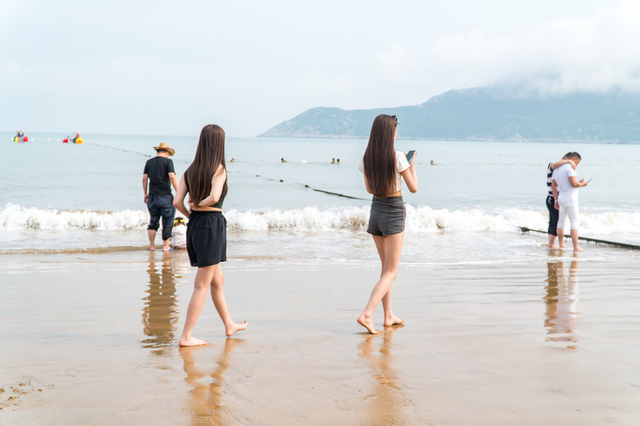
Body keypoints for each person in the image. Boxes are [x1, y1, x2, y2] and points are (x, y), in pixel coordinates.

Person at [174, 124, 247, 346]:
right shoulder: (219, 169)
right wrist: (201, 204)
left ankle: (229, 324)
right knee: (201, 285)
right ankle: (186, 336)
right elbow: (215, 197)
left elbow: (177, 201)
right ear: (219, 144)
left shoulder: (189, 171)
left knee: (218, 279)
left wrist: (191, 212)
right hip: (211, 225)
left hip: (196, 224)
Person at [356, 114, 418, 334]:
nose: (396, 132)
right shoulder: (399, 157)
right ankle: (367, 314)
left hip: (376, 211)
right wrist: (411, 165)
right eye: (395, 129)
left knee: (385, 271)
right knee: (391, 272)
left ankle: (388, 315)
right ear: (390, 132)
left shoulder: (366, 158)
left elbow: (369, 190)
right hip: (393, 211)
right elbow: (413, 188)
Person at [143, 142, 179, 251]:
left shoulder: (149, 162)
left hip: (153, 197)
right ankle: (165, 246)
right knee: (167, 221)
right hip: (165, 197)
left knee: (153, 222)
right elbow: (172, 177)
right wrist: (179, 192)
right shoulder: (168, 162)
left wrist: (145, 193)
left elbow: (144, 178)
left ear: (158, 151)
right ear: (167, 153)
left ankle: (152, 246)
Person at [551, 152, 588, 252]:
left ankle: (561, 245)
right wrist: (582, 184)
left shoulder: (556, 169)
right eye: (577, 163)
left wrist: (556, 199)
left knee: (561, 222)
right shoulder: (569, 168)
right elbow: (573, 184)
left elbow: (554, 185)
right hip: (570, 199)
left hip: (561, 197)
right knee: (574, 222)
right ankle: (576, 247)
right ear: (574, 160)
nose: (576, 165)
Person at [546, 155, 577, 248]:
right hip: (552, 197)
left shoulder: (559, 171)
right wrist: (569, 162)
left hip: (555, 198)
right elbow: (554, 164)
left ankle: (552, 243)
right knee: (555, 221)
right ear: (565, 158)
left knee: (554, 220)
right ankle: (552, 244)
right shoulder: (553, 164)